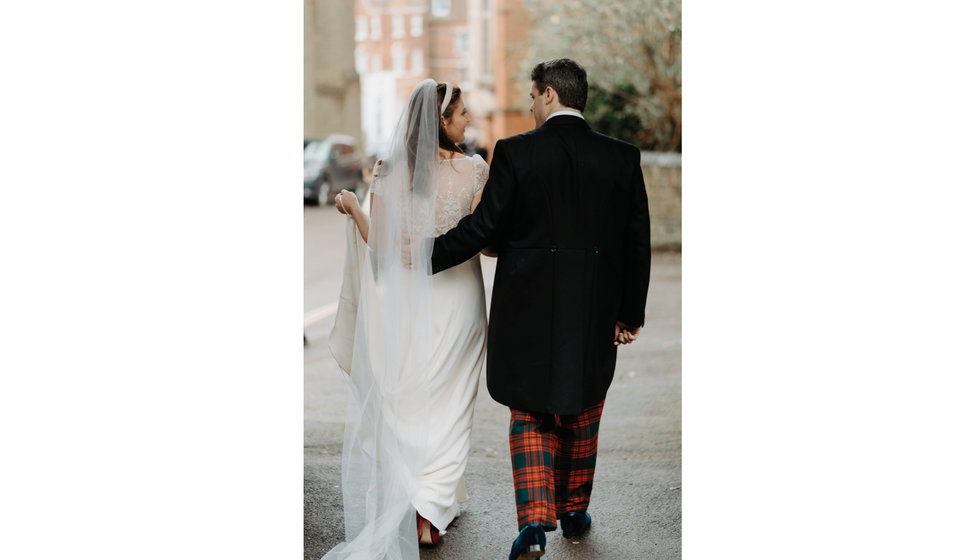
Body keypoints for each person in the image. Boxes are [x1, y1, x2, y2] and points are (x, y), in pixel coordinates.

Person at [428, 58, 651, 559]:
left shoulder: (515, 153)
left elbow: (484, 228)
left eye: (532, 96)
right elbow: (638, 241)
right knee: (583, 409)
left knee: (529, 414)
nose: (529, 105)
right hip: (594, 310)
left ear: (549, 94)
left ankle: (532, 527)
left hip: (525, 309)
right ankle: (573, 512)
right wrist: (628, 313)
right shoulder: (622, 158)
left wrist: (426, 254)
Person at [322, 79, 490, 559]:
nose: (468, 120)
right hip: (460, 298)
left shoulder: (390, 172)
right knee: (453, 402)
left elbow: (381, 251)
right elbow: (483, 237)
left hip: (409, 300)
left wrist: (355, 208)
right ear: (441, 119)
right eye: (461, 114)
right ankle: (429, 508)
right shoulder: (475, 170)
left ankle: (425, 499)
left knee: (414, 399)